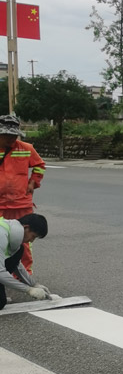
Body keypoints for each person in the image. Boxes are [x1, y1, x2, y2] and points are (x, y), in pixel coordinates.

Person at [0, 114, 47, 275]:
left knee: (24, 241)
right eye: (7, 135)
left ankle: (24, 274)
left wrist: (34, 181)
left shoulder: (26, 149)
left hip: (21, 203)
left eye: (14, 135)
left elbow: (40, 165)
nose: (11, 139)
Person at [1, 214, 52, 310]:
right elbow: (0, 272)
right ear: (26, 227)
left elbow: (16, 265)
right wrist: (28, 290)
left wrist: (34, 284)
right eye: (33, 236)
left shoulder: (10, 232)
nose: (31, 241)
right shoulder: (1, 235)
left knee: (20, 250)